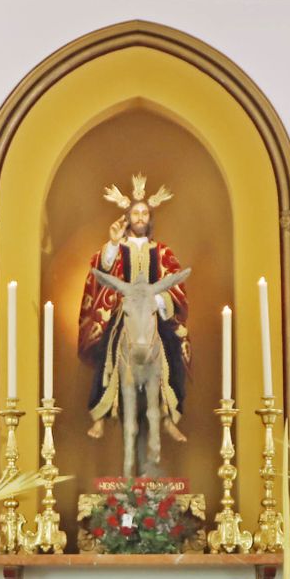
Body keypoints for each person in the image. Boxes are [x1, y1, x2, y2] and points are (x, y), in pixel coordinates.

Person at [78, 173, 190, 441]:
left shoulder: (161, 252)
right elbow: (102, 270)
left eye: (144, 213)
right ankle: (101, 414)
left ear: (150, 218)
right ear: (127, 217)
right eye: (135, 213)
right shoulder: (118, 247)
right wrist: (113, 243)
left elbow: (176, 284)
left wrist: (159, 302)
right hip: (125, 313)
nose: (140, 218)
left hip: (153, 314)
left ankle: (169, 415)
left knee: (173, 351)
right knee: (108, 348)